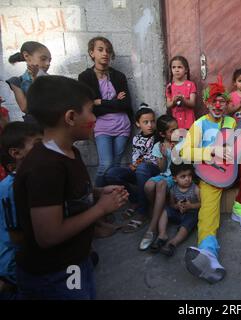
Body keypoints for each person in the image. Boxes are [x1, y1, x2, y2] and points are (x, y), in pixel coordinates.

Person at [13, 75, 128, 300]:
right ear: (71, 117)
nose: (94, 118)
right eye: (90, 111)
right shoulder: (44, 167)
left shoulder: (69, 152)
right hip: (55, 273)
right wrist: (101, 209)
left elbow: (66, 194)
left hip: (75, 260)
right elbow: (49, 235)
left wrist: (97, 193)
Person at [180, 75, 241, 284]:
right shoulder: (199, 125)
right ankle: (208, 252)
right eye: (214, 101)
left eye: (222, 101)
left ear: (227, 104)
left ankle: (240, 211)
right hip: (210, 174)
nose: (218, 105)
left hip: (231, 168)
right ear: (207, 103)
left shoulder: (232, 121)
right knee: (208, 210)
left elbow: (238, 145)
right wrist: (210, 151)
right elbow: (184, 153)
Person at [78, 36, 133, 188]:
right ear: (91, 53)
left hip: (122, 125)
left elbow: (125, 104)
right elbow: (88, 105)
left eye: (108, 50)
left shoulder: (118, 76)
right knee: (106, 165)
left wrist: (100, 101)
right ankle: (96, 196)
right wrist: (114, 101)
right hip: (101, 126)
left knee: (115, 166)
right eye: (100, 50)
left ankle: (111, 198)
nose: (105, 54)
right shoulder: (85, 77)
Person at [0, 122, 42, 299]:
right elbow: (17, 238)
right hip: (15, 262)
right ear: (16, 153)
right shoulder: (11, 188)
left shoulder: (35, 178)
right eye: (39, 145)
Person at [104, 105, 160, 221]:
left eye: (152, 121)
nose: (150, 125)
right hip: (139, 169)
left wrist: (139, 164)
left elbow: (155, 158)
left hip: (152, 170)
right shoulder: (136, 138)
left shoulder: (158, 137)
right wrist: (134, 164)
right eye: (145, 122)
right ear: (138, 124)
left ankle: (142, 210)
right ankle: (135, 201)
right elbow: (136, 155)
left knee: (142, 168)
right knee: (111, 173)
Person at [137, 115, 178, 250]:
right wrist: (164, 156)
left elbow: (180, 166)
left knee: (160, 185)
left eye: (176, 129)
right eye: (172, 131)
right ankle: (160, 212)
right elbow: (160, 169)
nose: (176, 133)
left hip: (175, 176)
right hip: (163, 174)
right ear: (162, 134)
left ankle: (152, 228)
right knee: (148, 185)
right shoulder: (158, 146)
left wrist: (173, 152)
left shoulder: (182, 142)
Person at [155, 163, 200, 257]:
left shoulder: (195, 188)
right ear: (175, 178)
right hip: (178, 213)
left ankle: (173, 242)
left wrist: (191, 206)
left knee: (190, 221)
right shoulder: (173, 190)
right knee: (165, 211)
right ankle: (162, 234)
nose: (187, 179)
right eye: (183, 176)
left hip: (190, 214)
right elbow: (172, 204)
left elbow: (201, 204)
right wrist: (177, 206)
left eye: (189, 175)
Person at [6, 41, 51, 123]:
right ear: (26, 56)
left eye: (49, 60)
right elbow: (25, 108)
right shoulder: (17, 82)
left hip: (52, 124)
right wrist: (36, 79)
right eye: (43, 59)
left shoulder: (51, 79)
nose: (48, 63)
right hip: (34, 127)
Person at [165, 56, 197, 130]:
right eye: (174, 67)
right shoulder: (170, 86)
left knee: (189, 140)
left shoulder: (190, 85)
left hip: (189, 122)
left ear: (186, 70)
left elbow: (192, 103)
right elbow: (168, 105)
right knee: (178, 140)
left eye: (179, 67)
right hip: (175, 122)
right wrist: (174, 101)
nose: (176, 70)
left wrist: (183, 100)